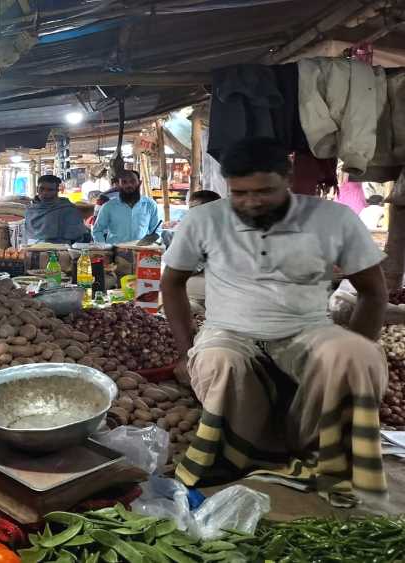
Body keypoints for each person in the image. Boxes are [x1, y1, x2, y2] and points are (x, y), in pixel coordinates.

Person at [161, 137, 388, 503]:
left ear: (288, 176)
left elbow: (373, 291)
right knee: (222, 362)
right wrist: (186, 352)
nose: (252, 202)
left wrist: (360, 344)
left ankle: (313, 456)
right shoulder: (204, 220)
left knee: (357, 358)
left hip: (307, 331)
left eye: (264, 190)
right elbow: (172, 284)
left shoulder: (333, 220)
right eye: (240, 193)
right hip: (229, 331)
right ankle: (243, 459)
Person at [178, 190, 222, 313]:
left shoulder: (226, 234)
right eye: (190, 209)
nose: (191, 214)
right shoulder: (193, 233)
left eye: (196, 209)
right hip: (193, 300)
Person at [91, 169, 161, 244]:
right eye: (124, 182)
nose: (129, 185)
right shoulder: (108, 206)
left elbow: (156, 230)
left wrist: (152, 245)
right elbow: (97, 230)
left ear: (139, 183)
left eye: (132, 181)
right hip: (116, 251)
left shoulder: (150, 205)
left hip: (141, 252)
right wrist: (104, 248)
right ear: (118, 185)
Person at [24, 174, 91, 244]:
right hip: (32, 250)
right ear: (37, 189)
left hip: (62, 250)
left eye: (50, 190)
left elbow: (77, 236)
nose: (45, 193)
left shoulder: (68, 209)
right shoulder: (30, 210)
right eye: (42, 189)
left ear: (57, 191)